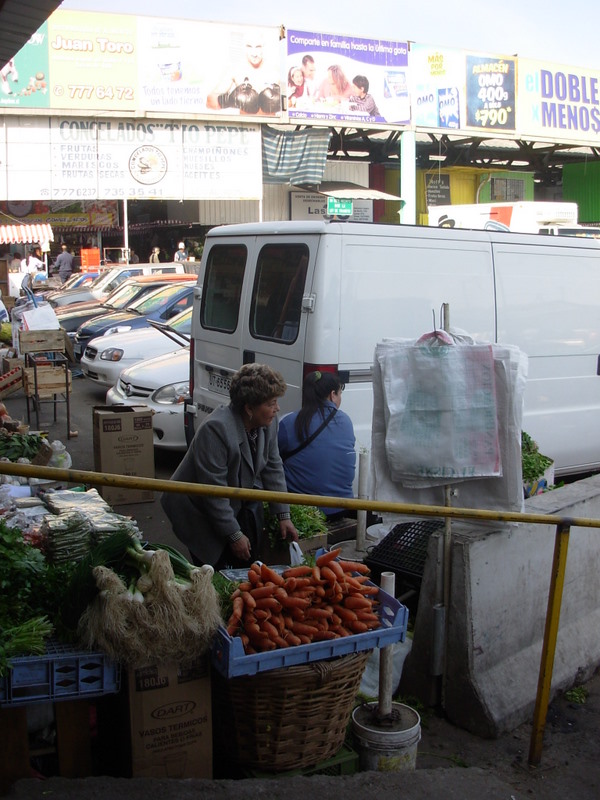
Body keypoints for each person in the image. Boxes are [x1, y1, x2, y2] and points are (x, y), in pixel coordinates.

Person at [161, 363, 299, 568]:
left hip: (228, 502)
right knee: (214, 569)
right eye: (271, 403)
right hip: (196, 509)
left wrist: (283, 515)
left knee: (244, 564)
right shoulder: (216, 430)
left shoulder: (269, 424)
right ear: (249, 408)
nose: (277, 408)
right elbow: (214, 492)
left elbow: (273, 467)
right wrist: (234, 535)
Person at [278, 370, 356, 520]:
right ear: (333, 395)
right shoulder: (346, 421)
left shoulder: (288, 422)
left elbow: (272, 459)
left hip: (301, 511)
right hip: (341, 508)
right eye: (340, 394)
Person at [206, 32, 278, 112]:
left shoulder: (274, 71)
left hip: (269, 124)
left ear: (263, 48)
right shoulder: (236, 69)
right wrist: (231, 100)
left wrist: (276, 101)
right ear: (244, 48)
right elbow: (210, 102)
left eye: (258, 47)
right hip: (245, 124)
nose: (254, 53)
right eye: (249, 46)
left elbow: (289, 103)